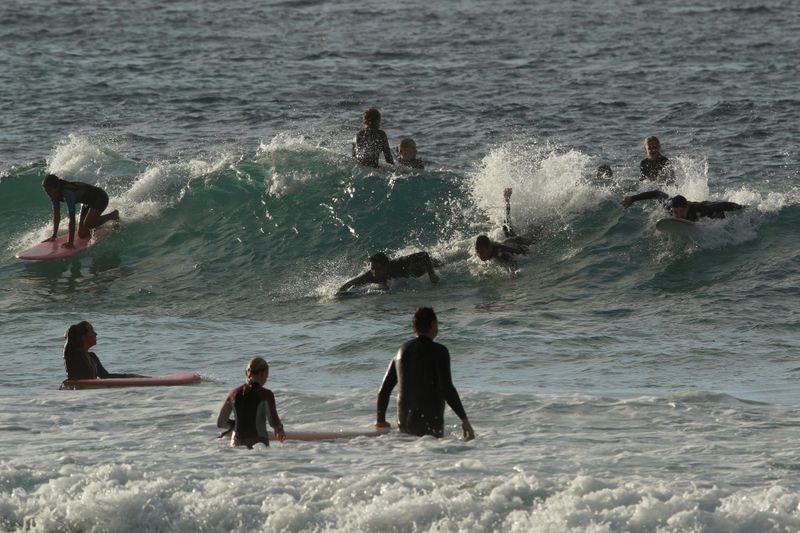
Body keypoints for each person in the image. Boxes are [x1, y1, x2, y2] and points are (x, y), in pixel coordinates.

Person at [376, 307, 475, 440]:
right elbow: (446, 388)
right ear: (433, 324)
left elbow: (384, 390)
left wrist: (380, 421)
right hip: (429, 431)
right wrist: (465, 420)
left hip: (405, 429)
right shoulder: (439, 351)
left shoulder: (401, 352)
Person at [217, 357, 286, 448]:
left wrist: (236, 423)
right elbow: (273, 422)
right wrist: (279, 429)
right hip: (258, 443)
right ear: (263, 374)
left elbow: (221, 423)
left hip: (236, 443)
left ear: (246, 373)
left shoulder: (233, 393)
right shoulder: (266, 394)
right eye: (266, 375)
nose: (266, 378)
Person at [42, 174, 120, 249]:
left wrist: (70, 242)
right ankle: (98, 225)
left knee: (88, 224)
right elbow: (56, 215)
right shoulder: (54, 195)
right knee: (82, 234)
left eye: (49, 190)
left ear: (56, 188)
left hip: (100, 197)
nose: (47, 193)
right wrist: (54, 235)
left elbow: (72, 220)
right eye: (46, 191)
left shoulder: (68, 193)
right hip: (87, 202)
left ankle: (112, 215)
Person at [474, 188, 539, 268]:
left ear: (489, 247)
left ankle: (507, 201)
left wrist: (513, 274)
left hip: (521, 243)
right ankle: (507, 201)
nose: (480, 255)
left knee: (535, 233)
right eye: (478, 251)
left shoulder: (501, 254)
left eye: (483, 252)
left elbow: (513, 264)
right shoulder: (487, 248)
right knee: (506, 228)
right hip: (510, 241)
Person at [63, 321, 145, 380]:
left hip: (89, 395)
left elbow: (105, 376)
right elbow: (67, 347)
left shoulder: (92, 356)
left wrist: (129, 376)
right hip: (76, 395)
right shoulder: (73, 355)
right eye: (91, 331)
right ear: (83, 337)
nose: (96, 334)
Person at [338, 251, 440, 292]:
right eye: (372, 268)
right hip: (405, 275)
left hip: (423, 267)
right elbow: (352, 283)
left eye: (378, 269)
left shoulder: (398, 264)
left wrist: (432, 274)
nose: (374, 272)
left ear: (386, 266)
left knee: (447, 262)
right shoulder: (371, 275)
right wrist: (339, 293)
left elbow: (423, 255)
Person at [621, 190, 745, 220]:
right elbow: (657, 193)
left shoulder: (699, 209)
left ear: (686, 209)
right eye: (676, 212)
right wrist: (632, 198)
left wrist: (742, 208)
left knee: (718, 216)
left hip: (706, 207)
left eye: (681, 212)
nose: (678, 215)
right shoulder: (669, 206)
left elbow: (722, 204)